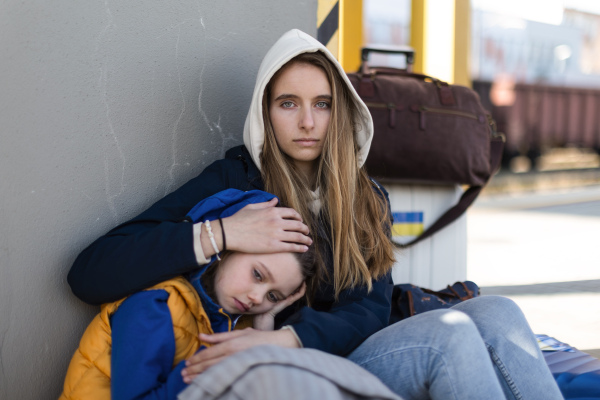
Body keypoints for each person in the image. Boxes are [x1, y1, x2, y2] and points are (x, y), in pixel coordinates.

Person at [67, 29, 563, 399]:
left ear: (341, 112)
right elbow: (90, 273)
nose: (307, 122)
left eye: (322, 104)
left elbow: (369, 309)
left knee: (499, 311)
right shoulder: (238, 180)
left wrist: (287, 338)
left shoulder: (367, 196)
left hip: (335, 351)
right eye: (289, 104)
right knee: (447, 337)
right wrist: (221, 232)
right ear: (266, 112)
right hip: (302, 375)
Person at [59, 189, 315, 400]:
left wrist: (263, 328)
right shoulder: (156, 306)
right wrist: (217, 365)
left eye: (273, 297)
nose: (257, 298)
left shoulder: (235, 324)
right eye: (257, 275)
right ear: (225, 252)